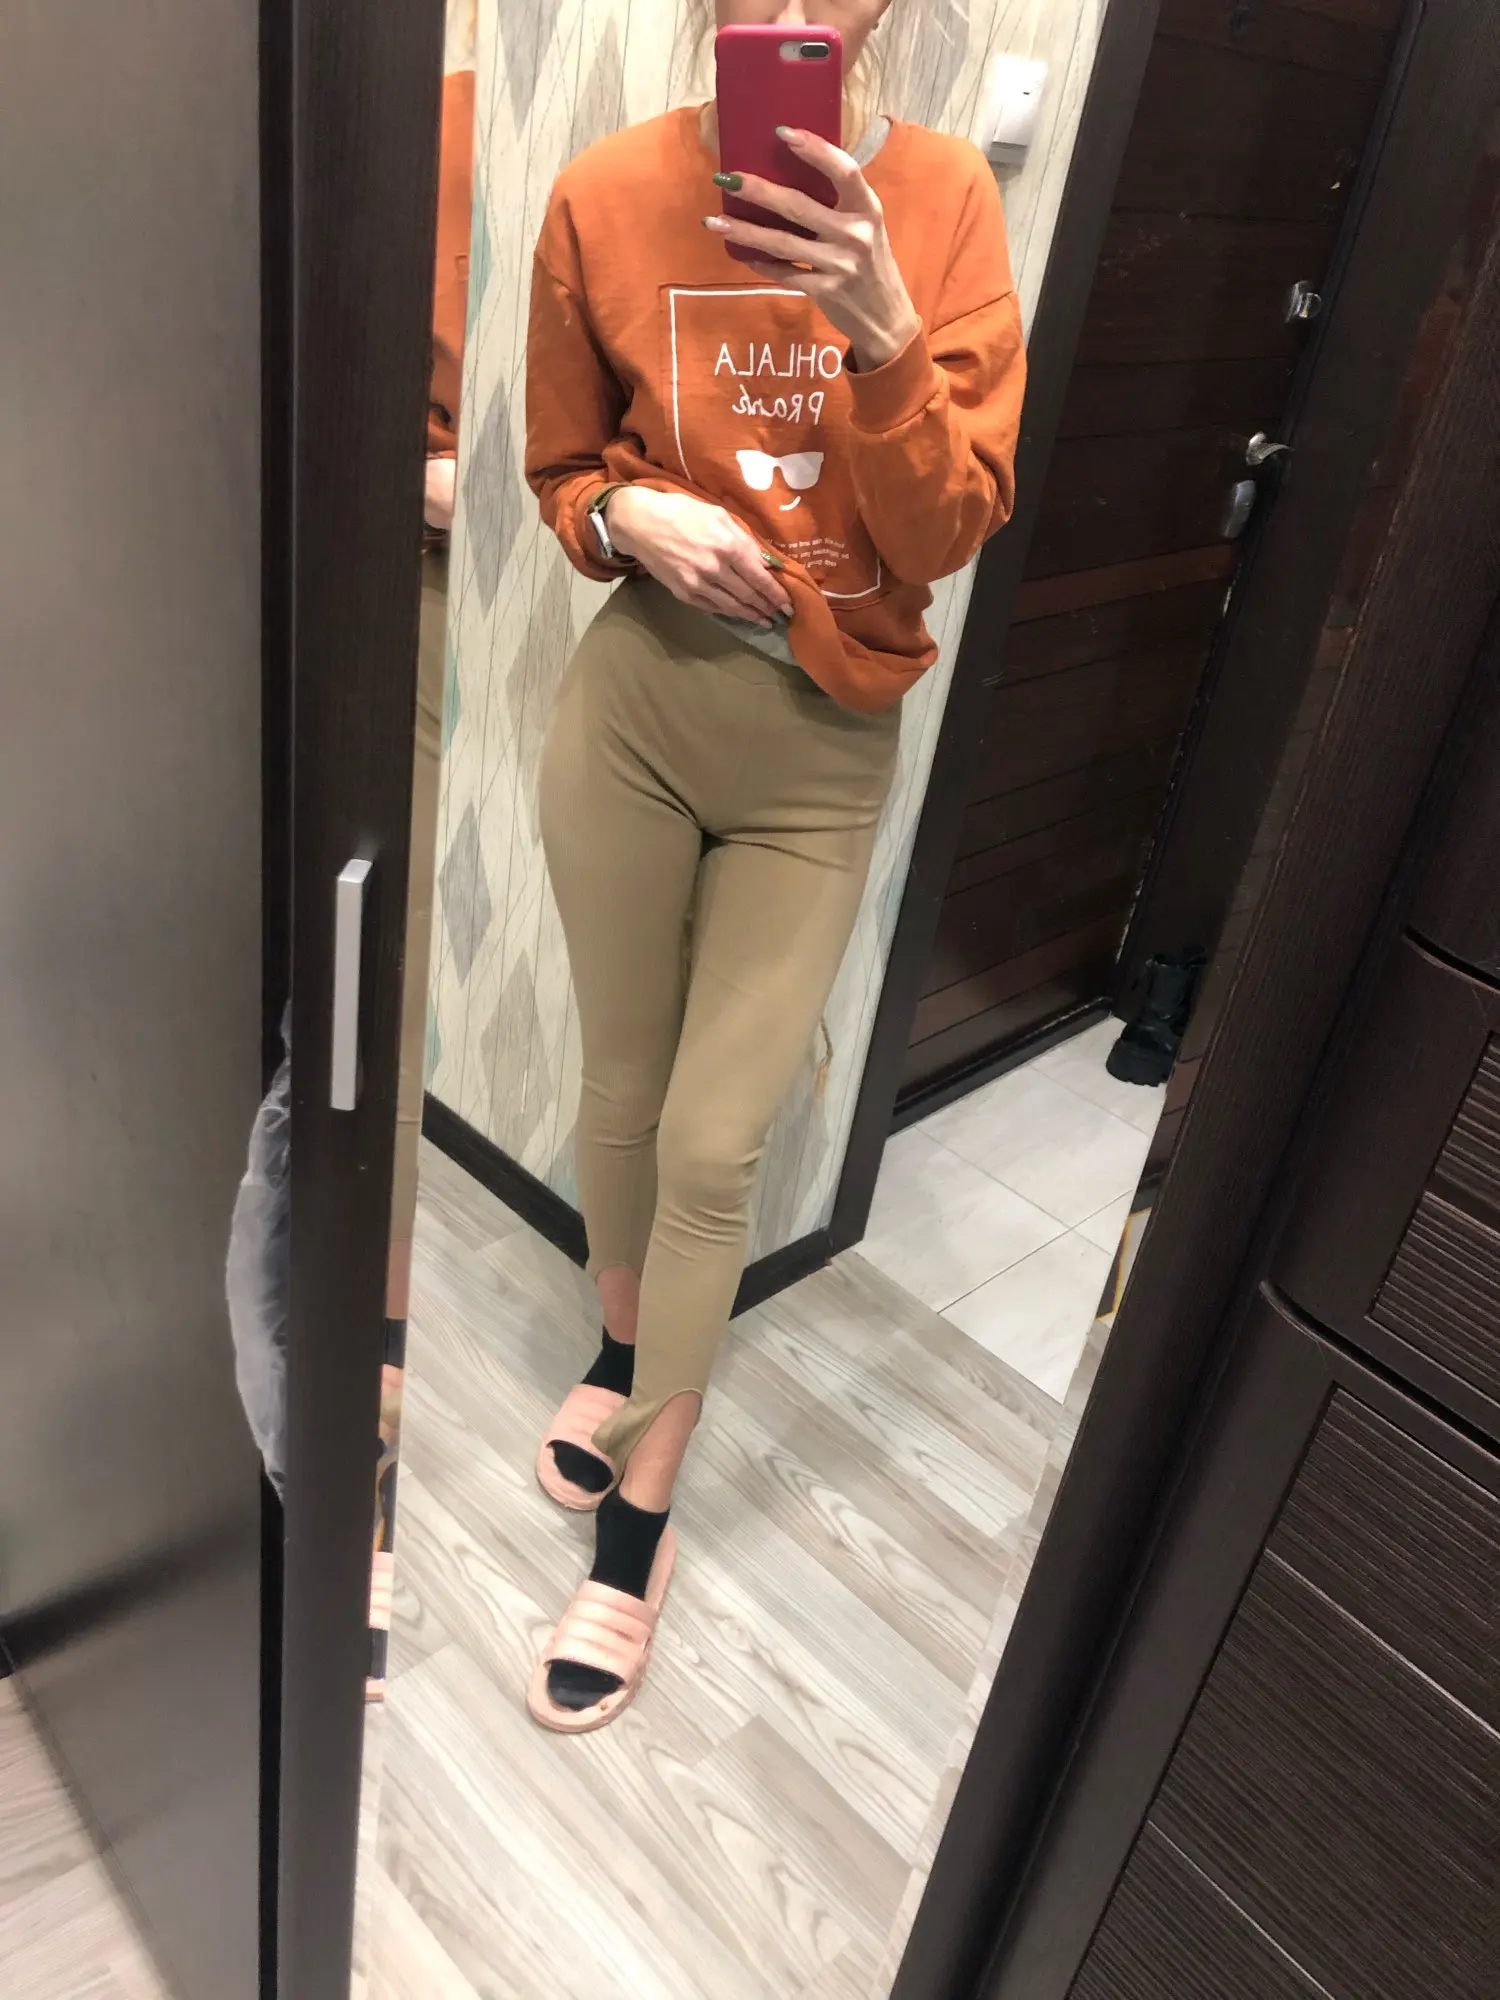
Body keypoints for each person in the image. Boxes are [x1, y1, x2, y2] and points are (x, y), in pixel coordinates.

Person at [523, 0, 1026, 1732]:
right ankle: (624, 1349)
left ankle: (637, 1532)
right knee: (619, 1090)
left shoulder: (945, 200)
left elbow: (948, 529)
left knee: (714, 1141)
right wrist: (625, 514)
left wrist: (882, 333)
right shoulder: (604, 190)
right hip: (633, 709)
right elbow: (557, 469)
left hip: (821, 737)